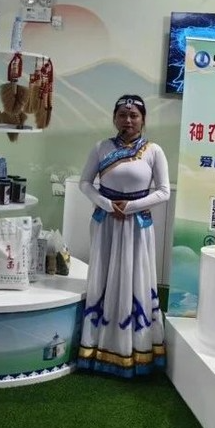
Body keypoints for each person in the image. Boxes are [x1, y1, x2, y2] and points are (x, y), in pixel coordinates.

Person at [77, 94, 170, 377]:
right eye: (122, 115)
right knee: (104, 276)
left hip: (137, 225)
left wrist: (129, 207)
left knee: (135, 276)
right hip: (106, 222)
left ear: (143, 119)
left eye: (134, 116)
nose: (128, 120)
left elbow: (163, 191)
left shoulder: (154, 151)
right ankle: (98, 345)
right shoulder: (101, 147)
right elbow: (85, 183)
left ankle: (137, 347)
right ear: (114, 118)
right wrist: (107, 204)